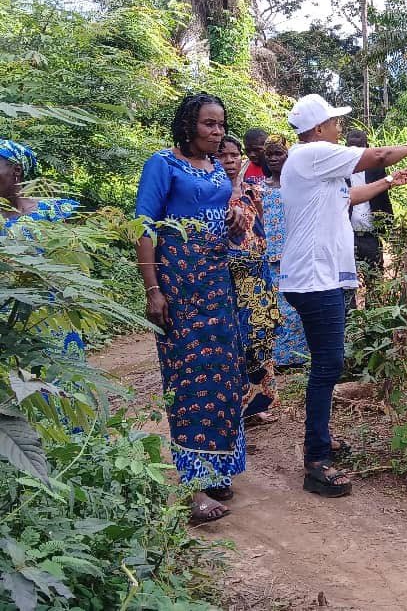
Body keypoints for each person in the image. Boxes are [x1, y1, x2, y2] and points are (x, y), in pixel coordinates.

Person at [279, 93, 407, 497]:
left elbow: (348, 197)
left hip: (323, 277)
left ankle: (322, 440)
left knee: (328, 364)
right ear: (317, 129)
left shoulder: (314, 165)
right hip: (316, 279)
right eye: (333, 122)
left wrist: (388, 183)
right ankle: (315, 460)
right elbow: (377, 154)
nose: (338, 127)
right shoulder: (313, 152)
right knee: (328, 366)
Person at [135, 93, 248, 524]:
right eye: (209, 125)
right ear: (188, 125)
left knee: (223, 371)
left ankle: (219, 469)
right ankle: (194, 486)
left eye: (221, 125)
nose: (217, 133)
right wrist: (153, 290)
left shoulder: (218, 168)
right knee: (188, 376)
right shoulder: (163, 164)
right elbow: (144, 228)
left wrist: (236, 221)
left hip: (217, 280)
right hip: (179, 282)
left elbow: (225, 222)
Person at [0, 140, 84, 361]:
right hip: (4, 325)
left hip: (50, 317)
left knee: (60, 382)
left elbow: (76, 265)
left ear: (16, 170)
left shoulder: (57, 212)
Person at [218, 135, 281, 424]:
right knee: (234, 341)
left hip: (257, 273)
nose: (229, 161)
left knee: (260, 337)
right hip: (228, 278)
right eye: (223, 156)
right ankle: (234, 407)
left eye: (234, 155)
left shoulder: (253, 191)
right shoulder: (210, 195)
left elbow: (262, 229)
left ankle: (257, 405)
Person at [260, 135, 309, 368]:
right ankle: (279, 358)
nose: (273, 158)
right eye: (269, 154)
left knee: (297, 304)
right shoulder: (259, 188)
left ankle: (300, 356)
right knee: (275, 306)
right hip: (269, 254)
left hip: (295, 252)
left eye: (278, 153)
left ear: (287, 155)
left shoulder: (297, 185)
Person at [344, 129, 396, 307]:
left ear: (367, 148)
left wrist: (390, 228)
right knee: (346, 283)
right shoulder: (339, 171)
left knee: (374, 281)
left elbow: (384, 199)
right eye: (352, 149)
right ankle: (350, 323)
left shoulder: (377, 169)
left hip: (371, 236)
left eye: (360, 148)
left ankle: (373, 321)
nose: (356, 153)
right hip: (345, 237)